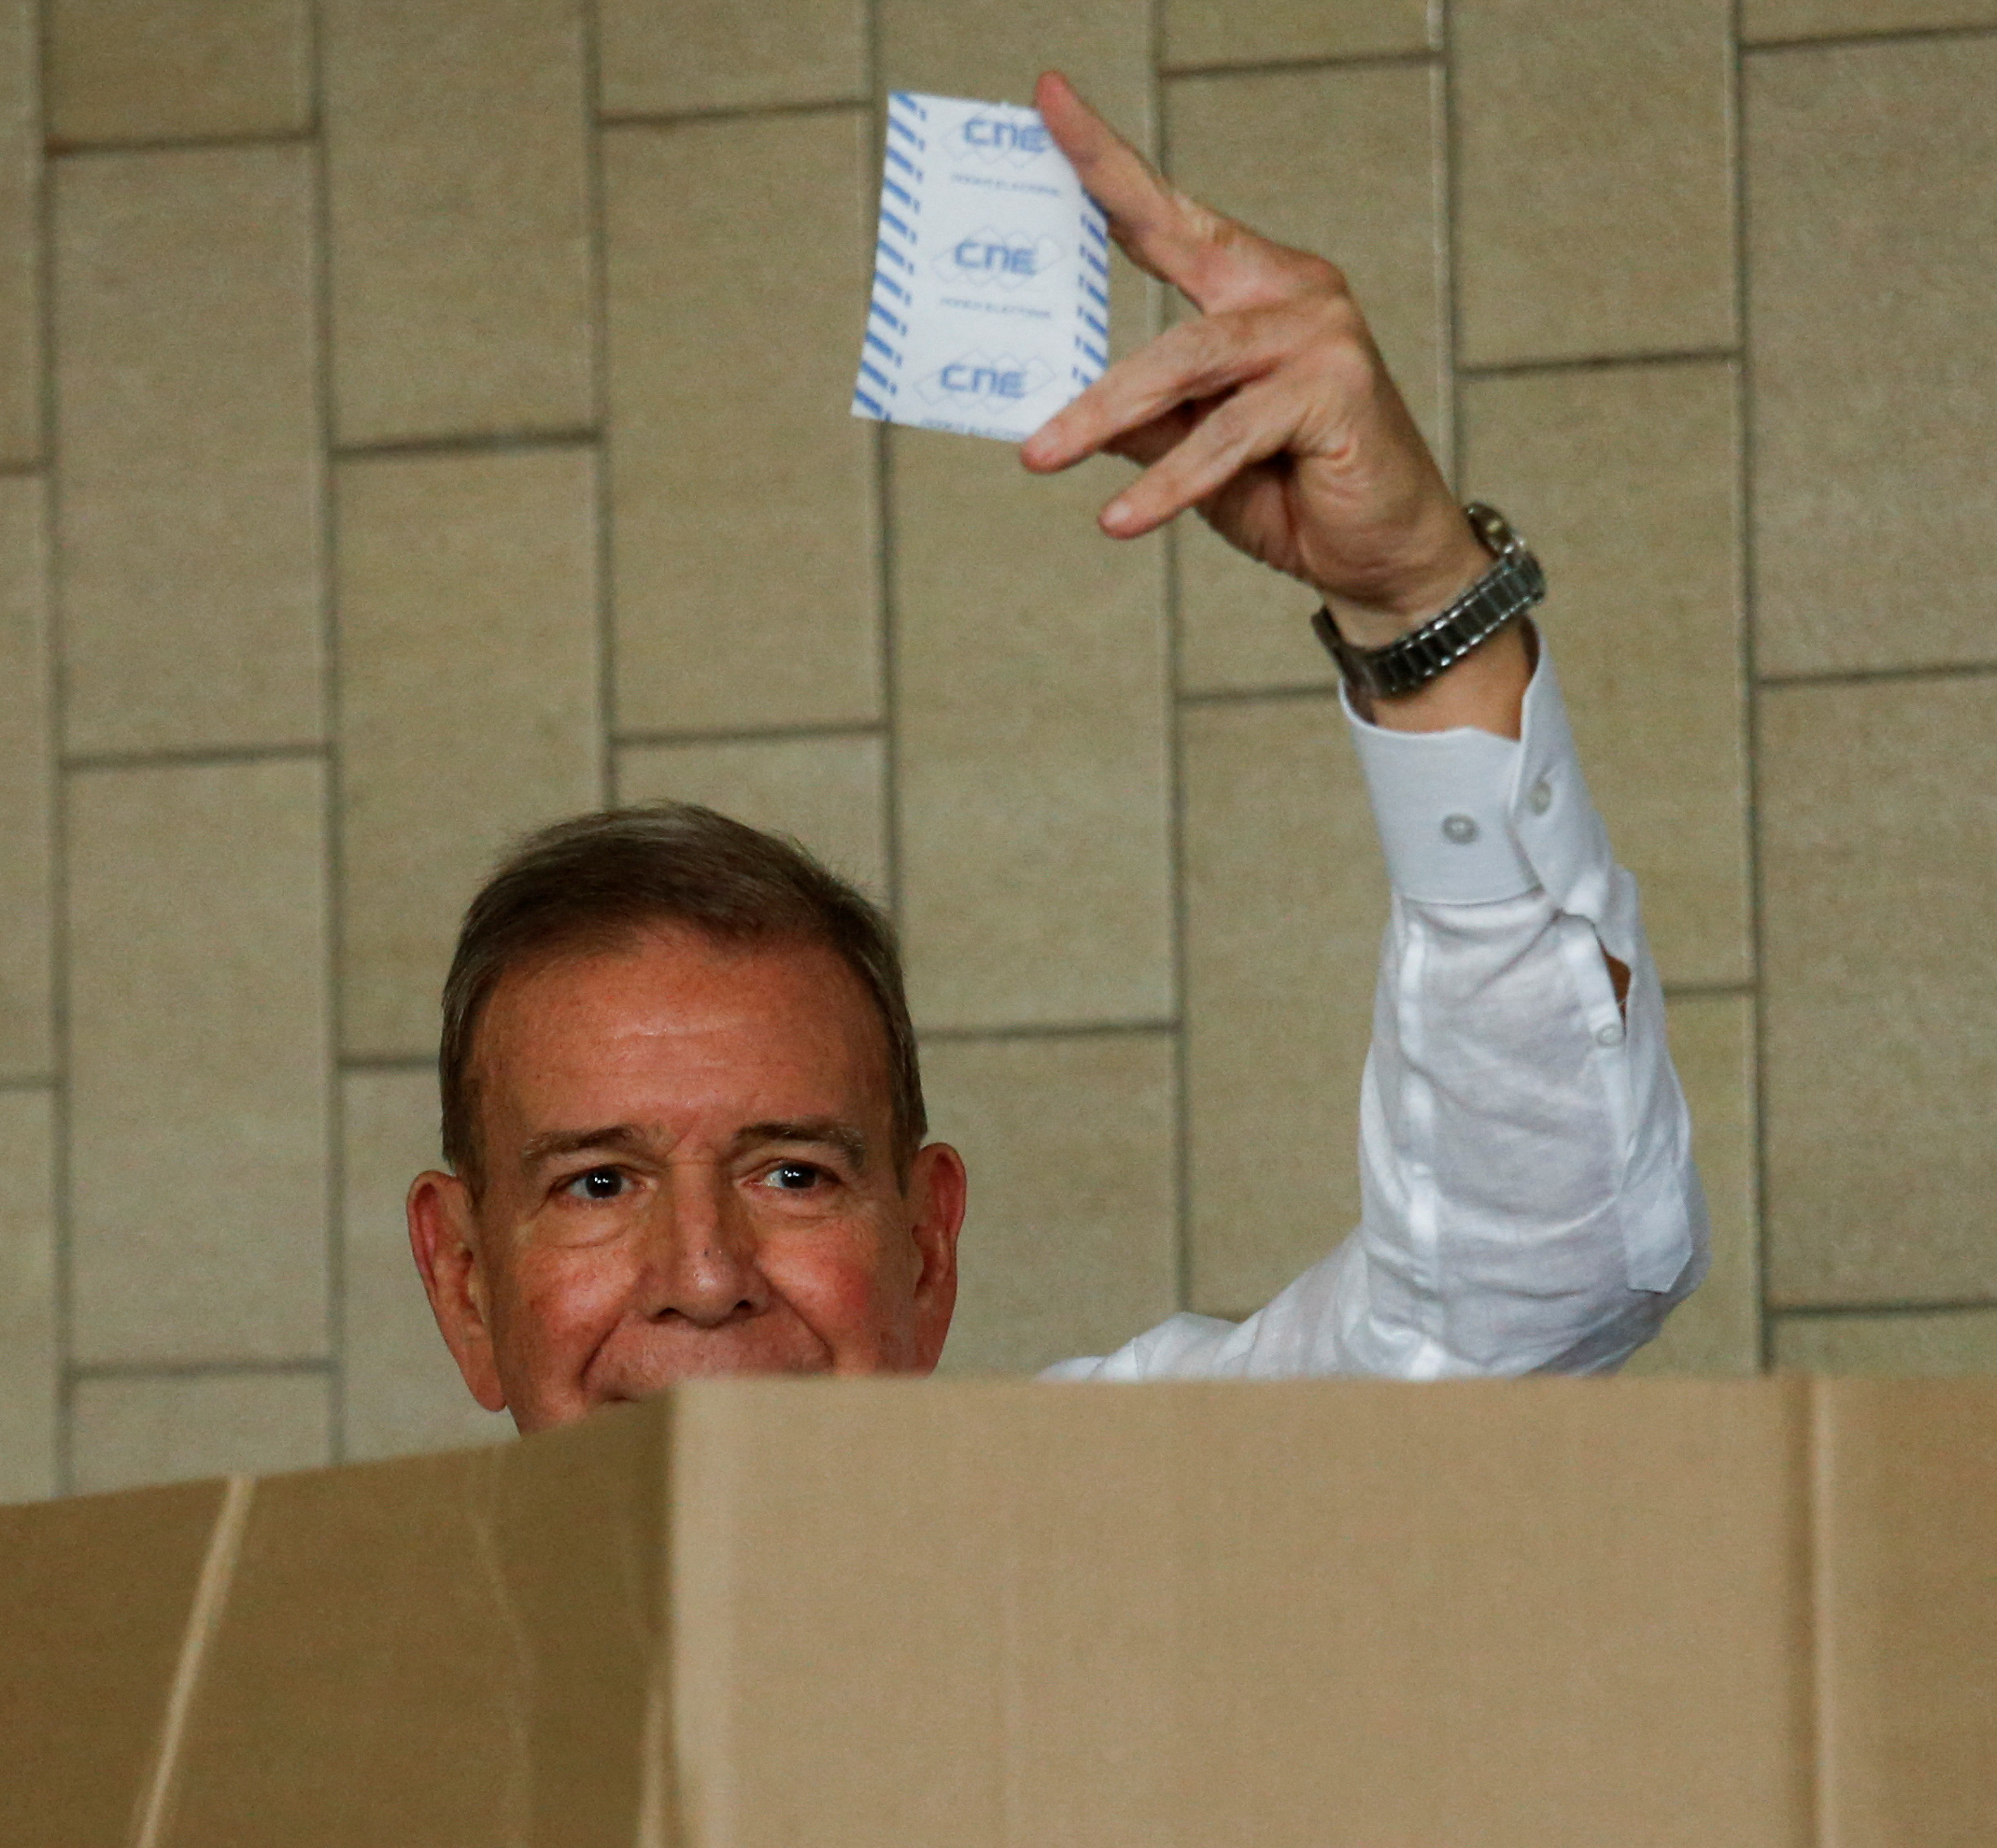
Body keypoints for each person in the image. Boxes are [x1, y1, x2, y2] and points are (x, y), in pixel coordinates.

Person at [409, 73, 1700, 1436]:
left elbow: (1520, 1294)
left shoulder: (1097, 1527)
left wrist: (1422, 603)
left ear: (927, 1246)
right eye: (596, 1184)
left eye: (792, 1173)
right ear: (466, 1283)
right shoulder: (276, 1639)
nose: (708, 1276)